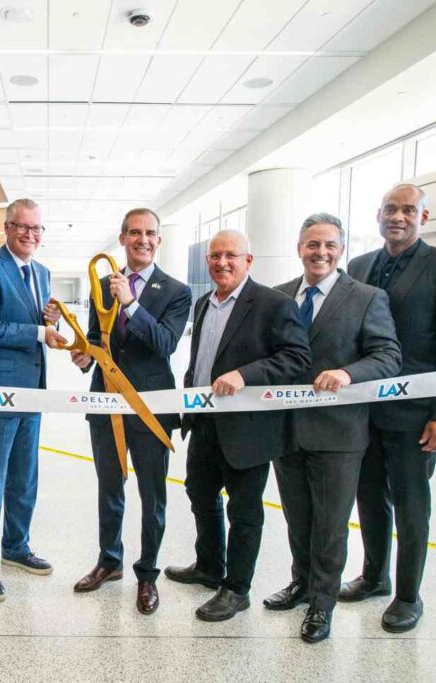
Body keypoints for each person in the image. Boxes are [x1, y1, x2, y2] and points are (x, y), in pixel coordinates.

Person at [343, 184, 436, 633]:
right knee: (369, 498)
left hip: (417, 416)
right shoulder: (360, 266)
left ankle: (407, 595)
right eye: (389, 209)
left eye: (407, 210)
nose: (397, 216)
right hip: (364, 412)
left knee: (411, 507)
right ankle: (374, 576)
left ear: (424, 216)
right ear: (378, 215)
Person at [268, 214, 402, 643]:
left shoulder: (366, 297)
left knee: (330, 525)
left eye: (328, 244)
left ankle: (322, 606)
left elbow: (388, 356)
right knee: (297, 517)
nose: (320, 252)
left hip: (339, 434)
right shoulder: (280, 296)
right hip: (286, 431)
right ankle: (301, 582)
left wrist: (347, 373)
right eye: (312, 244)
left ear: (340, 249)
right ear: (299, 248)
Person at [166, 229, 310, 622]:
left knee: (244, 510)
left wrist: (246, 374)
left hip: (248, 430)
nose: (222, 262)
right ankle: (209, 565)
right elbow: (200, 361)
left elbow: (297, 359)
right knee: (200, 493)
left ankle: (237, 588)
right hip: (204, 423)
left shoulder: (273, 304)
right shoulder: (203, 304)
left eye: (231, 255)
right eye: (215, 256)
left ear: (249, 261)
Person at [69, 208, 191, 615]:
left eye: (150, 233)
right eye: (135, 233)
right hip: (105, 404)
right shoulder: (101, 284)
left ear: (159, 240)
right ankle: (109, 561)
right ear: (122, 238)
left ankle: (148, 574)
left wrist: (133, 304)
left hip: (150, 408)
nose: (143, 239)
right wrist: (84, 355)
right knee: (109, 487)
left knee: (152, 494)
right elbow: (94, 338)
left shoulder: (176, 290)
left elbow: (166, 344)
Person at [0, 198, 64, 602]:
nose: (30, 235)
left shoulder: (42, 272)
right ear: (7, 228)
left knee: (25, 477)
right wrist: (40, 333)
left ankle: (17, 546)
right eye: (22, 227)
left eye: (37, 229)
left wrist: (49, 321)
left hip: (32, 387)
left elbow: (33, 323)